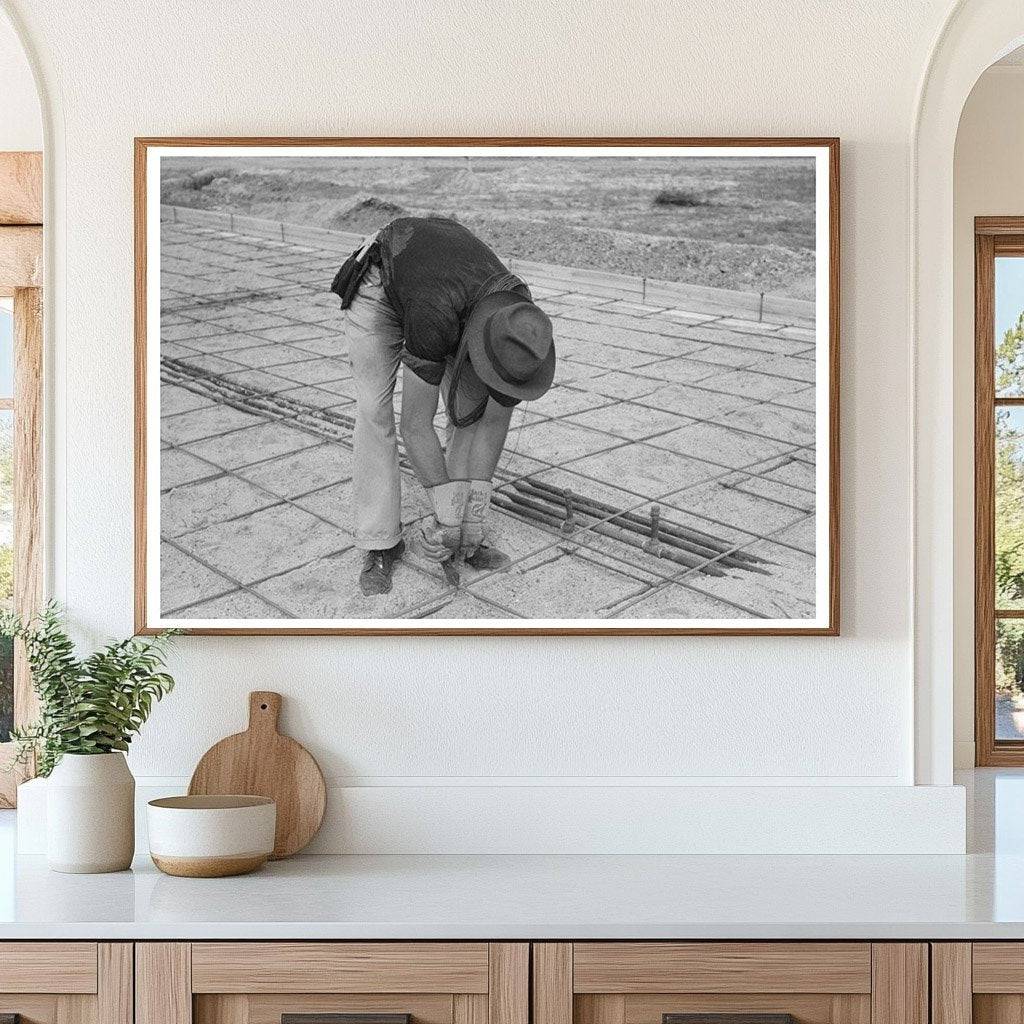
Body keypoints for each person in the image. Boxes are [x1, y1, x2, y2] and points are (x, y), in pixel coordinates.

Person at [330, 216, 556, 596]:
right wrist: (448, 515)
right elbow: (416, 426)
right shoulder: (436, 314)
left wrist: (473, 514)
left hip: (450, 293)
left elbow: (492, 422)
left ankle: (459, 530)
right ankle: (381, 541)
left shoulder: (520, 332)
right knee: (375, 412)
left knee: (468, 410)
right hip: (383, 284)